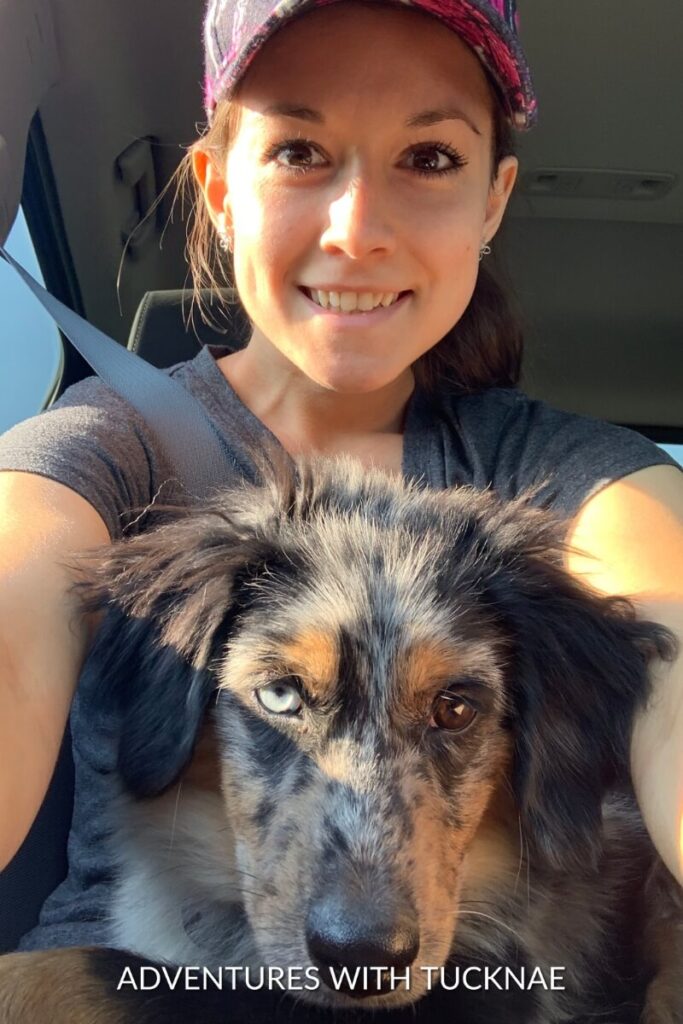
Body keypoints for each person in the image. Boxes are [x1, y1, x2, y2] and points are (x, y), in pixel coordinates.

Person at [0, 0, 681, 972]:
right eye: (299, 150)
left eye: (429, 158)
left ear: (490, 198)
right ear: (220, 187)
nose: (357, 228)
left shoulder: (571, 480)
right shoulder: (99, 450)